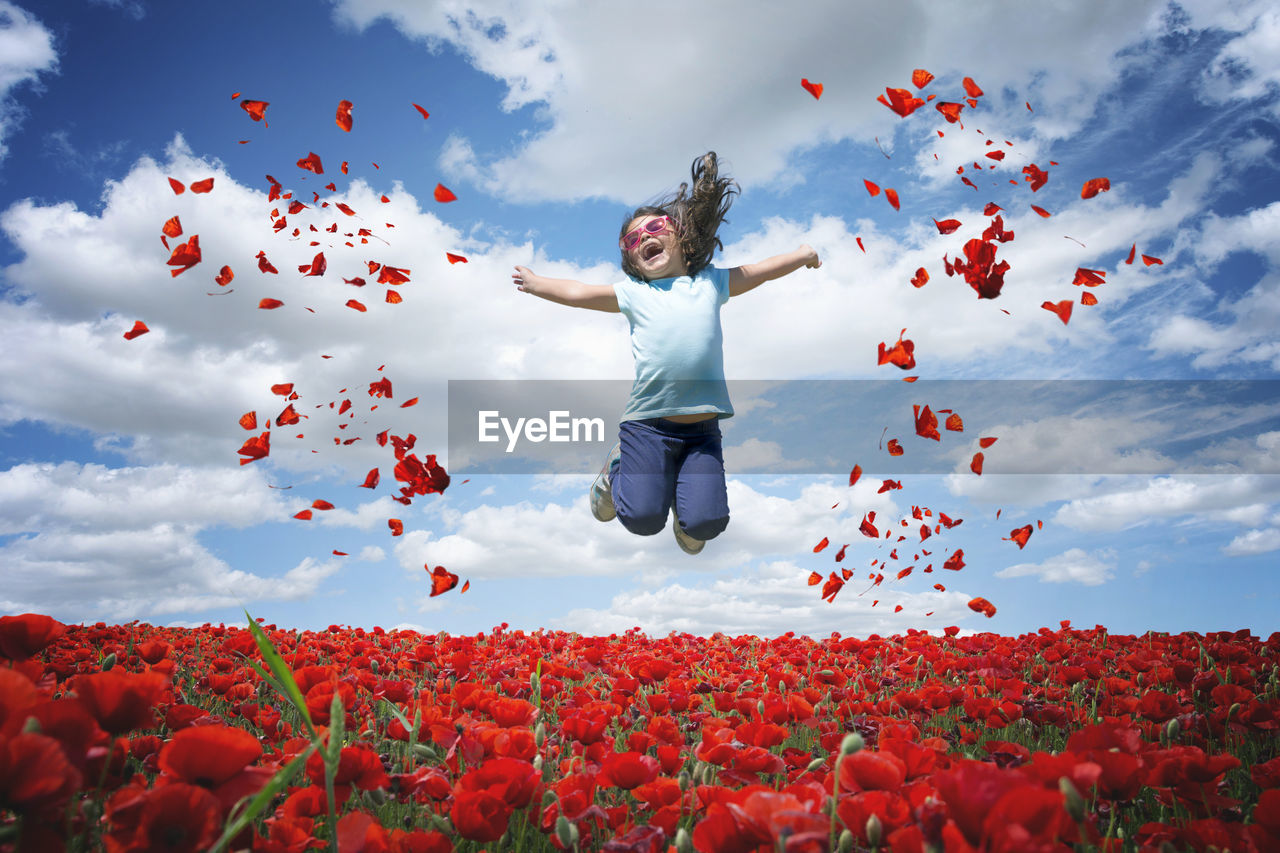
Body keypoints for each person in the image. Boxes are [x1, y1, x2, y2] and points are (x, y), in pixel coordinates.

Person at [512, 152, 820, 553]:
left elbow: (761, 270)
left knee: (706, 525)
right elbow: (579, 292)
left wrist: (802, 254)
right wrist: (537, 284)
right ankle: (613, 473)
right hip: (647, 427)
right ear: (632, 262)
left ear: (680, 234)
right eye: (632, 240)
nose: (645, 238)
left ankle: (688, 517)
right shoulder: (635, 294)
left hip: (702, 433)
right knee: (641, 520)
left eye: (655, 227)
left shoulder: (710, 283)